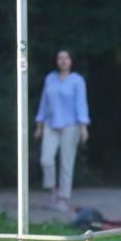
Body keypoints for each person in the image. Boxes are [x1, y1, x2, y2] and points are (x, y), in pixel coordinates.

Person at [34, 49, 90, 212]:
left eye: (66, 58)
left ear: (71, 61)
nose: (63, 61)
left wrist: (84, 127)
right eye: (60, 58)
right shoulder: (50, 79)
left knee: (66, 163)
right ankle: (53, 192)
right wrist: (39, 126)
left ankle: (63, 198)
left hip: (71, 126)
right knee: (46, 159)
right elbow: (44, 103)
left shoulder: (77, 80)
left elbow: (81, 104)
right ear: (56, 61)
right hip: (51, 125)